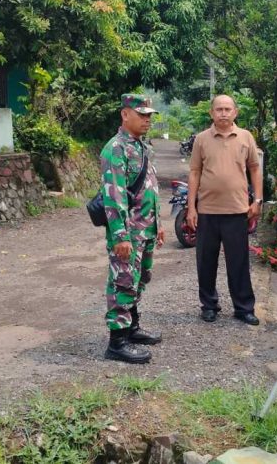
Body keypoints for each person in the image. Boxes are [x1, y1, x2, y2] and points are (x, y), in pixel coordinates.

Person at [187, 94, 263, 326]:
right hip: (208, 211)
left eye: (227, 109)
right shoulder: (201, 139)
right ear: (211, 113)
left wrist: (257, 200)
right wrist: (191, 207)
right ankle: (209, 305)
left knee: (238, 262)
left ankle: (243, 308)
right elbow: (194, 172)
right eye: (218, 109)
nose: (223, 113)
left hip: (237, 211)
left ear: (235, 112)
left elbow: (254, 169)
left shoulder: (245, 137)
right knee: (206, 261)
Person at [100, 94, 165, 364]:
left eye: (149, 115)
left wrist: (158, 226)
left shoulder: (141, 147)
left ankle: (132, 328)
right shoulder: (115, 148)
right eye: (142, 114)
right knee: (122, 282)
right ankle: (117, 342)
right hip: (128, 234)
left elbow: (149, 189)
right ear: (125, 114)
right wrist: (120, 236)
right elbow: (113, 197)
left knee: (138, 280)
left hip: (145, 230)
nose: (147, 119)